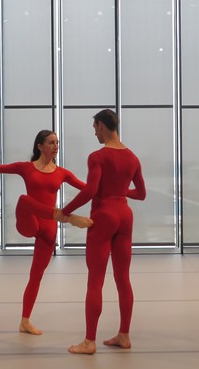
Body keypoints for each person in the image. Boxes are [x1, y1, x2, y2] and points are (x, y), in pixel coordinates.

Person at [0, 129, 92, 336]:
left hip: (49, 228)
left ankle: (25, 322)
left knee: (36, 276)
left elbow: (88, 189)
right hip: (29, 222)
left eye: (57, 142)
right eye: (51, 142)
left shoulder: (62, 173)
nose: (56, 146)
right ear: (39, 146)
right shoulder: (25, 168)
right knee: (24, 200)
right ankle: (65, 216)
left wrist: (122, 192)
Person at [56, 109, 146, 355]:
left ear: (102, 126)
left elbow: (89, 191)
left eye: (95, 127)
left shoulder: (97, 156)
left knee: (95, 280)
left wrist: (64, 211)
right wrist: (118, 191)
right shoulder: (133, 157)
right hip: (125, 216)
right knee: (123, 279)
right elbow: (140, 194)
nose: (94, 131)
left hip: (104, 215)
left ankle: (89, 341)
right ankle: (124, 335)